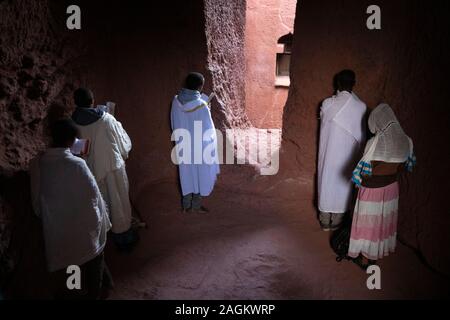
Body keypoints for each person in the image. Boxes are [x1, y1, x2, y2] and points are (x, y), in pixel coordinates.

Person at [30, 119, 112, 299]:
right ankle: (96, 293)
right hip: (85, 233)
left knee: (72, 274)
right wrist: (102, 222)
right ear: (71, 141)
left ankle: (78, 292)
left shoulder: (37, 164)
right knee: (94, 266)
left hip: (59, 235)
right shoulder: (77, 164)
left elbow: (37, 205)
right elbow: (94, 196)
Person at [348, 103, 415, 268]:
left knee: (367, 225)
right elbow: (405, 167)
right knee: (383, 223)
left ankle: (363, 257)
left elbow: (364, 171)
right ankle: (373, 260)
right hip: (392, 188)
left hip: (373, 191)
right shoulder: (407, 141)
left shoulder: (375, 143)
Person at [71, 88, 137, 251]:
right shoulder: (107, 119)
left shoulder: (71, 124)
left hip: (90, 172)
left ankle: (103, 240)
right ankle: (124, 240)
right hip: (112, 168)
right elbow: (123, 143)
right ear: (92, 101)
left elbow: (76, 151)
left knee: (101, 205)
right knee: (119, 204)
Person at [317, 70, 367, 231]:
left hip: (328, 154)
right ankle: (337, 220)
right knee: (342, 184)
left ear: (337, 84)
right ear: (354, 84)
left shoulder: (327, 103)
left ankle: (324, 219)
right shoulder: (361, 107)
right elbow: (361, 137)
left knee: (326, 181)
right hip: (348, 156)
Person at [170, 72, 220, 213]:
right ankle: (196, 206)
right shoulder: (201, 105)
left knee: (186, 174)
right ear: (199, 86)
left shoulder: (175, 101)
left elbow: (174, 122)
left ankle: (186, 206)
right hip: (199, 148)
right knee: (199, 175)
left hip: (183, 145)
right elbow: (208, 130)